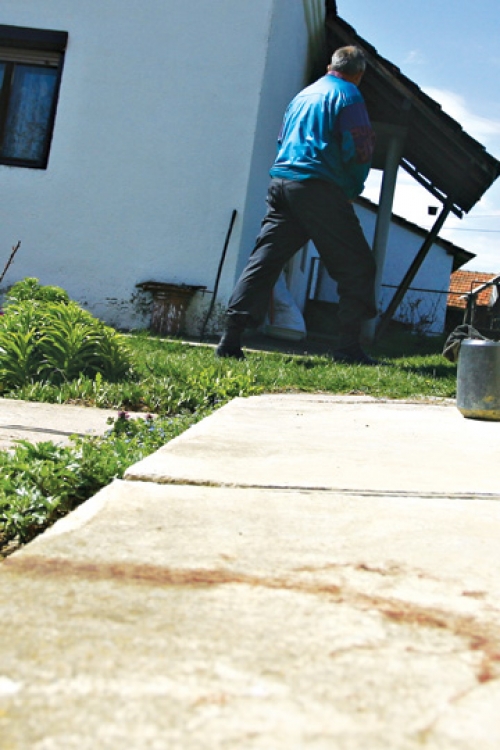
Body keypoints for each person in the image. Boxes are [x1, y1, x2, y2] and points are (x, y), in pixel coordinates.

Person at [216, 45, 378, 365]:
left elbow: (282, 139)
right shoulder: (349, 96)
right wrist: (351, 188)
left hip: (282, 183)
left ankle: (230, 339)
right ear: (359, 74)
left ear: (330, 66)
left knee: (264, 261)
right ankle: (348, 348)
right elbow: (360, 149)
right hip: (318, 187)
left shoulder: (302, 97)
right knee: (358, 266)